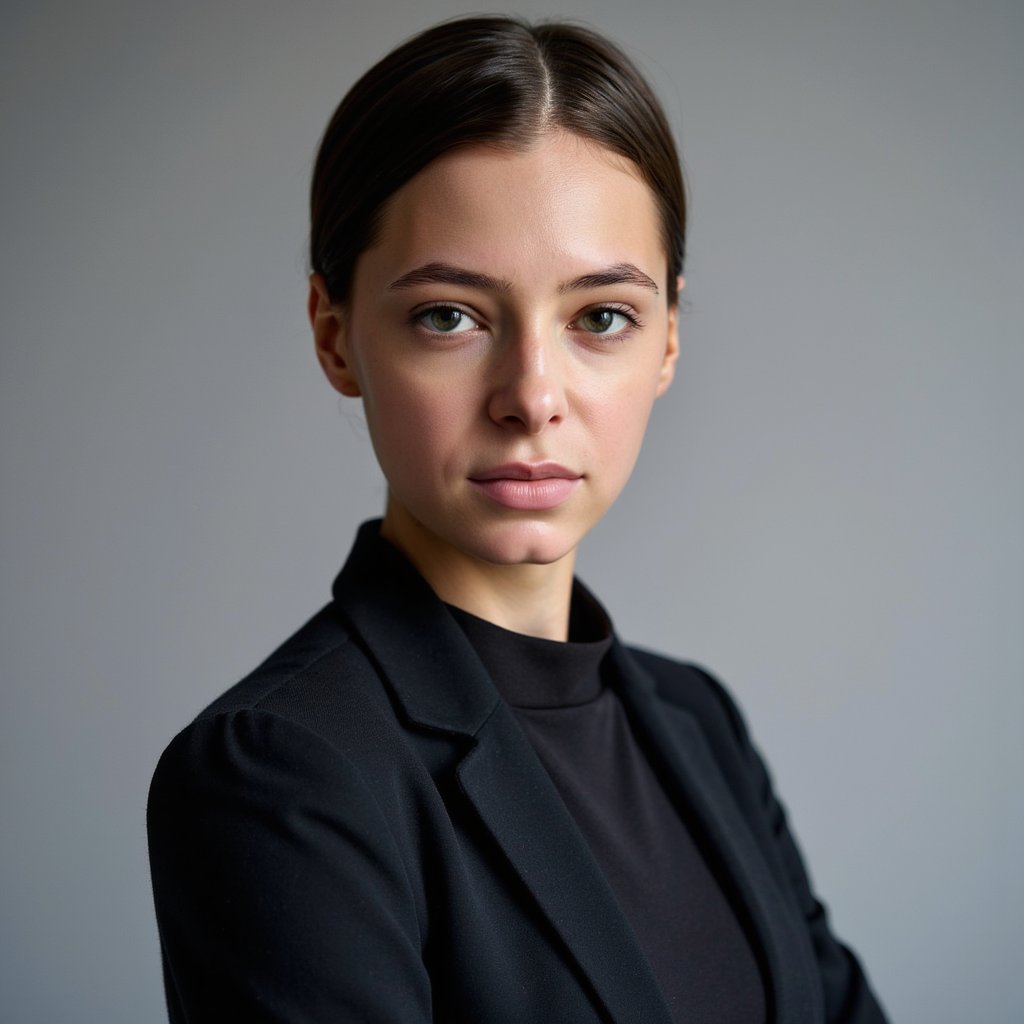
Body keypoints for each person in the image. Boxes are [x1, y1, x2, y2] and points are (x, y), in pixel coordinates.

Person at [147, 15, 888, 1023]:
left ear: (668, 338)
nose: (531, 395)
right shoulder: (280, 771)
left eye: (600, 317)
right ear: (335, 335)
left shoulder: (697, 723)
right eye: (449, 315)